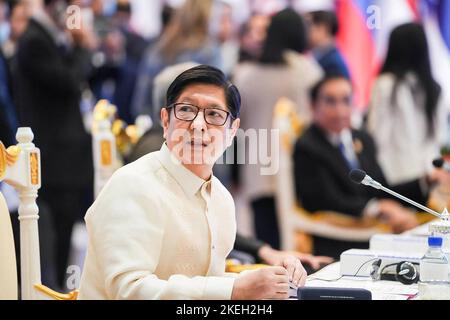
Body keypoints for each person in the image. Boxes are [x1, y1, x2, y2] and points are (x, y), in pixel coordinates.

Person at [79, 65, 307, 300]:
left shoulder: (221, 199)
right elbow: (129, 290)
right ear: (165, 121)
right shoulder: (132, 185)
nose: (198, 124)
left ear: (232, 132)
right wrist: (235, 289)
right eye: (186, 110)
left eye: (214, 115)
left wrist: (273, 279)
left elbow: (207, 283)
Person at [293, 75, 419, 259]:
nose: (340, 109)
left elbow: (381, 188)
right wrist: (377, 208)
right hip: (340, 241)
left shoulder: (362, 138)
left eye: (346, 101)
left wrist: (425, 182)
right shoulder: (308, 146)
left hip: (374, 231)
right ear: (313, 106)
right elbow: (323, 200)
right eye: (330, 101)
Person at [14, 0, 94, 289]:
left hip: (65, 157)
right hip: (57, 158)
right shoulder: (36, 40)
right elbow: (70, 81)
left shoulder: (48, 39)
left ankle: (58, 287)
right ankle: (54, 290)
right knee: (55, 232)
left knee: (63, 230)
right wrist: (83, 45)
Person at [233, 8, 322, 249]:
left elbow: (236, 129)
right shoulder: (307, 72)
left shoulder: (246, 74)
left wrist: (235, 170)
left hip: (256, 166)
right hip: (299, 167)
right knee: (298, 243)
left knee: (266, 245)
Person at [367, 23, 446, 205]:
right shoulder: (435, 88)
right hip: (429, 176)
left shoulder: (385, 85)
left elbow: (376, 136)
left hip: (394, 179)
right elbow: (439, 138)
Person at [304, 10, 350, 78]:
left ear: (322, 28)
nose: (305, 31)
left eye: (308, 26)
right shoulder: (320, 55)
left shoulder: (333, 63)